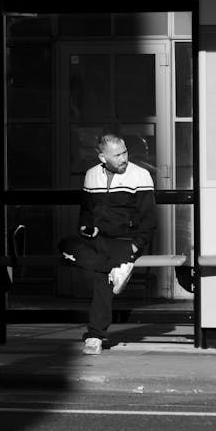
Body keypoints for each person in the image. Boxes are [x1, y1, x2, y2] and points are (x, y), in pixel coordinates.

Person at [58, 134, 157, 355]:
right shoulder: (92, 174)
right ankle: (113, 267)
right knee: (65, 245)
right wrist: (86, 226)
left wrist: (135, 246)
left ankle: (95, 335)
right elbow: (86, 211)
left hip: (125, 241)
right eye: (117, 155)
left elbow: (149, 219)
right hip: (98, 240)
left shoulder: (141, 175)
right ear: (103, 157)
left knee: (101, 279)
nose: (124, 158)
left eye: (125, 152)